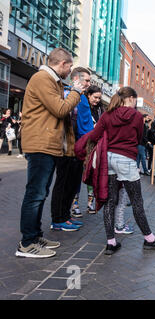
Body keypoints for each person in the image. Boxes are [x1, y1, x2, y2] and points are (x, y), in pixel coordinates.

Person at [16, 48, 85, 259]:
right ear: (63, 64)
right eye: (70, 66)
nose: (70, 70)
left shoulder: (51, 80)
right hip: (40, 144)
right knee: (35, 194)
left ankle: (35, 236)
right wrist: (76, 91)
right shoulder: (43, 78)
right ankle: (27, 243)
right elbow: (60, 109)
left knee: (40, 193)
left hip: (47, 145)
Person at [85, 87, 155, 255]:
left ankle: (111, 243)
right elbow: (138, 138)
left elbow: (94, 135)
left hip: (108, 159)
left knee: (110, 201)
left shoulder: (107, 115)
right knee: (137, 201)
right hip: (126, 160)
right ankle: (149, 239)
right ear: (131, 98)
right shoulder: (137, 117)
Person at [50, 67, 92, 232]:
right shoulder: (69, 94)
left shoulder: (82, 98)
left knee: (73, 184)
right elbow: (66, 117)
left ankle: (65, 215)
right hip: (68, 147)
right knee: (63, 183)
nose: (89, 84)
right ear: (76, 79)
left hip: (79, 147)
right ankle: (58, 219)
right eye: (86, 80)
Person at [71, 85, 103, 217]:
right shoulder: (81, 106)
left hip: (93, 148)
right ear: (88, 95)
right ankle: (75, 204)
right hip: (81, 146)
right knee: (77, 176)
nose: (97, 100)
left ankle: (90, 203)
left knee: (91, 174)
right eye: (95, 97)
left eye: (99, 98)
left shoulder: (100, 110)